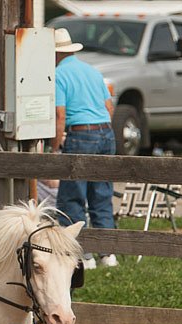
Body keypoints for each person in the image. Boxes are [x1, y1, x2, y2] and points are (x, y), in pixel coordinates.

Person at [51, 28, 119, 269]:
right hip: (105, 133)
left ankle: (82, 254)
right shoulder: (91, 70)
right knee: (101, 193)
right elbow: (109, 107)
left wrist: (55, 145)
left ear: (55, 53)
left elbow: (60, 115)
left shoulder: (58, 74)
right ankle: (108, 254)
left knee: (72, 196)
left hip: (80, 133)